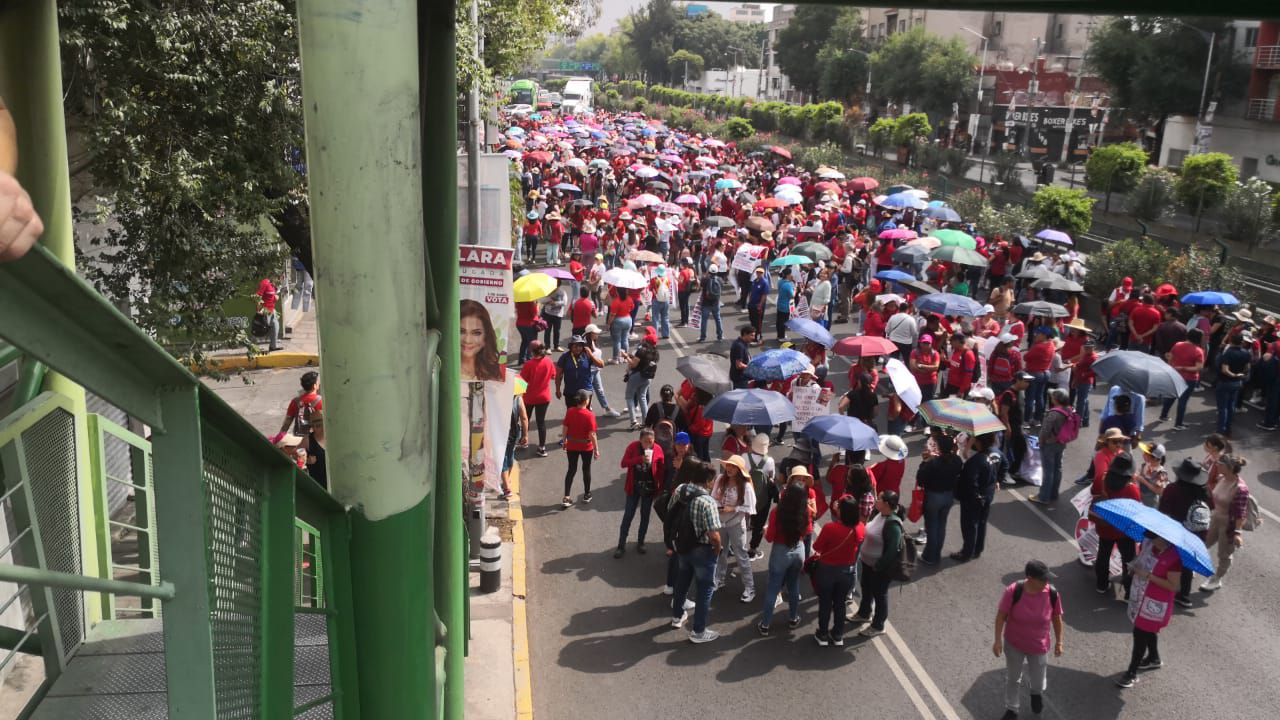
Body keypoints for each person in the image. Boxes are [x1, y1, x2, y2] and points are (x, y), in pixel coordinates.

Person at [994, 560, 1065, 720]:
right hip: (1014, 644)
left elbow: (1057, 618)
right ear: (1030, 578)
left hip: (1039, 646)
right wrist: (997, 641)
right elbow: (1000, 617)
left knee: (1038, 681)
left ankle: (1036, 694)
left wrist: (1059, 641)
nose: (1046, 582)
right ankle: (1012, 708)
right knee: (1013, 678)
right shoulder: (1014, 591)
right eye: (1043, 579)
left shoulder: (1052, 594)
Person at [665, 460, 724, 643]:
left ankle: (677, 616)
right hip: (702, 549)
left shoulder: (682, 489)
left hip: (682, 544)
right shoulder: (708, 502)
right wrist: (718, 549)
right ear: (708, 481)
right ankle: (698, 631)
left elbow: (669, 510)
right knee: (705, 589)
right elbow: (714, 535)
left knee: (683, 580)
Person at [1115, 532, 1183, 688]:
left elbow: (1174, 586)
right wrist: (1133, 567)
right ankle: (1154, 658)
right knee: (1147, 630)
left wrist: (1148, 576)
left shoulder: (1174, 558)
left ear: (1165, 538)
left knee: (1139, 633)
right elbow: (1142, 561)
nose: (1151, 541)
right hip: (1140, 595)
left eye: (1155, 538)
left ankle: (1131, 673)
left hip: (1155, 602)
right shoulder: (1149, 545)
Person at [756, 480, 811, 636]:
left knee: (773, 588)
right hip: (799, 550)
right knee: (793, 586)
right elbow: (807, 532)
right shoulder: (805, 510)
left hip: (780, 552)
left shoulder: (777, 512)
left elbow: (770, 537)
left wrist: (765, 530)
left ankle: (765, 624)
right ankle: (793, 618)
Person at [849, 490, 905, 637]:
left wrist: (878, 566)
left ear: (886, 503)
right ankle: (864, 613)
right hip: (868, 563)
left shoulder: (892, 524)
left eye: (879, 498)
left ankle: (878, 625)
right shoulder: (879, 514)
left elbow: (892, 550)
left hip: (879, 568)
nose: (875, 500)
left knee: (880, 595)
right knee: (866, 589)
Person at [812, 495, 865, 647]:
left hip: (827, 571)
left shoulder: (830, 528)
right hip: (846, 572)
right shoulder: (860, 528)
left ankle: (822, 634)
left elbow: (817, 547)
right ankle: (838, 635)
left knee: (825, 603)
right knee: (840, 604)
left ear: (841, 511)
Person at [1156, 459, 1209, 606]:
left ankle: (1168, 586)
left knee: (1172, 561)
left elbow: (1163, 512)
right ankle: (1184, 595)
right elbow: (1211, 507)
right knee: (1187, 564)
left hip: (1176, 532)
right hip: (1197, 534)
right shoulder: (1204, 492)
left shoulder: (1172, 489)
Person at [1090, 451, 1140, 598]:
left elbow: (1093, 493)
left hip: (1104, 526)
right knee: (1128, 560)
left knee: (1103, 554)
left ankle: (1101, 584)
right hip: (1123, 530)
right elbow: (1136, 510)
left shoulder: (1101, 478)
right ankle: (1127, 590)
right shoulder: (1131, 489)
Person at [1200, 453, 1251, 592]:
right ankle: (1192, 566)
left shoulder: (1240, 489)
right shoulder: (1221, 478)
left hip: (1228, 524)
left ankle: (1217, 579)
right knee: (1202, 543)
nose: (1217, 465)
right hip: (1215, 517)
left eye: (1220, 464)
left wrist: (1237, 532)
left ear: (1229, 467)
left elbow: (1241, 513)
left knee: (1224, 553)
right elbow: (1214, 496)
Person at [711, 455, 758, 602]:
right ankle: (719, 579)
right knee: (720, 552)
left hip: (736, 524)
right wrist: (717, 504)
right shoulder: (720, 479)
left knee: (741, 555)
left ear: (739, 470)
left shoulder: (746, 486)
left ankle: (750, 588)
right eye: (728, 465)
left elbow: (750, 507)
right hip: (721, 522)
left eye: (733, 466)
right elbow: (713, 497)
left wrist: (733, 508)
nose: (729, 469)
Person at [616, 428, 665, 557]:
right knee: (628, 515)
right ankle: (621, 545)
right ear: (640, 440)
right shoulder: (633, 447)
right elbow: (623, 463)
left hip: (649, 488)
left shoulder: (658, 449)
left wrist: (659, 489)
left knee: (645, 516)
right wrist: (639, 459)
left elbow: (661, 469)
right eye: (645, 441)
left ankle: (641, 542)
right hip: (634, 487)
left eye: (651, 441)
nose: (648, 444)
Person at [952, 432, 999, 562]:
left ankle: (966, 552)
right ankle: (978, 549)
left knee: (969, 526)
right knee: (982, 523)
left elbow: (970, 481)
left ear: (979, 442)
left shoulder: (976, 461)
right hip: (987, 495)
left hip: (974, 499)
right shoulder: (994, 455)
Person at [917, 433, 962, 565]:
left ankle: (930, 556)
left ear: (940, 448)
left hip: (933, 497)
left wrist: (925, 462)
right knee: (941, 526)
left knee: (932, 526)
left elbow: (920, 480)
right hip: (949, 496)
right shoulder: (957, 461)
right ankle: (936, 554)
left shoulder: (933, 463)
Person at [277, 371, 327, 487]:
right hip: (314, 440)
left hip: (298, 439)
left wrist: (280, 436)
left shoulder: (295, 401)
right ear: (315, 385)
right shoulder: (320, 401)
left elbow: (287, 422)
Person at [1033, 389, 1076, 505]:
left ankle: (1043, 497)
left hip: (1049, 444)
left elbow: (1045, 430)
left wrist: (1041, 441)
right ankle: (1053, 494)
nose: (1051, 398)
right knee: (1058, 469)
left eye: (1052, 396)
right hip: (1061, 443)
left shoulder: (1053, 413)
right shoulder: (1070, 410)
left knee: (1048, 471)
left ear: (1056, 399)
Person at [560, 390, 599, 508]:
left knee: (571, 469)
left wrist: (564, 440)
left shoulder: (570, 411)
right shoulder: (589, 415)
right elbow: (592, 434)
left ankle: (566, 497)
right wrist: (596, 449)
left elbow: (565, 427)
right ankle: (587, 494)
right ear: (586, 401)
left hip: (572, 445)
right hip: (586, 446)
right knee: (586, 469)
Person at [1159, 328, 1204, 430]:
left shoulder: (1178, 345)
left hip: (1175, 375)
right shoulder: (1198, 351)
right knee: (1183, 401)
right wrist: (1184, 368)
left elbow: (1170, 357)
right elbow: (1198, 367)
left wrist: (1172, 368)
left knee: (1171, 396)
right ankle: (1178, 424)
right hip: (1190, 378)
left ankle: (1163, 415)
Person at [745, 433, 778, 561]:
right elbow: (772, 477)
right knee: (759, 524)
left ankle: (737, 546)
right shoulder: (769, 461)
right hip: (763, 498)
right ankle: (753, 550)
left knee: (742, 519)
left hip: (746, 495)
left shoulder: (744, 457)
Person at [519, 341, 555, 456]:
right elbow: (553, 376)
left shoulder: (529, 364)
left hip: (529, 397)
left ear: (531, 351)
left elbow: (522, 381)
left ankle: (524, 441)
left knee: (526, 419)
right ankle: (542, 448)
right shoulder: (549, 362)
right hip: (544, 397)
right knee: (541, 422)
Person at [461, 299, 507, 383]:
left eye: (476, 333)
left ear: (486, 336)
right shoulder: (441, 369)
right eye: (461, 331)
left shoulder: (496, 370)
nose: (467, 340)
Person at [1215, 333, 1251, 435]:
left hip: (1225, 382)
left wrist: (1234, 375)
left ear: (1231, 341)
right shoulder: (1246, 353)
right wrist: (1241, 375)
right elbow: (1248, 368)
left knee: (1223, 407)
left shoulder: (1228, 353)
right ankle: (1228, 428)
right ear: (1242, 342)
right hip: (1237, 383)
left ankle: (1221, 430)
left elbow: (1225, 370)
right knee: (1231, 406)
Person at [623, 335, 658, 429]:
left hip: (636, 376)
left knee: (629, 397)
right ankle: (645, 421)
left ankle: (633, 421)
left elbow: (633, 365)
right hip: (648, 378)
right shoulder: (655, 353)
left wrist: (626, 357)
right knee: (642, 398)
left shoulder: (641, 351)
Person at [554, 336, 594, 407]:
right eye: (575, 346)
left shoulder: (587, 355)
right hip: (571, 392)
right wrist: (557, 390)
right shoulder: (565, 357)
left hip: (586, 391)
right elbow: (559, 375)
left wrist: (591, 355)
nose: (578, 348)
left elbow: (601, 365)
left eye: (580, 346)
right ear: (571, 347)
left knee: (584, 414)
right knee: (572, 414)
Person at [1135, 442, 1168, 507]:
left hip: (1150, 503)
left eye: (1146, 453)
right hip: (1139, 498)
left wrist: (1144, 481)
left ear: (1155, 458)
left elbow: (1159, 491)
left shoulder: (1162, 473)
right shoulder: (1145, 465)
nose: (1143, 454)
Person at [697, 264, 725, 342]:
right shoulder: (720, 280)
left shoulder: (705, 279)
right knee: (718, 319)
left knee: (704, 320)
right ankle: (720, 336)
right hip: (716, 303)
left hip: (706, 303)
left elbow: (700, 287)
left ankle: (703, 337)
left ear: (709, 271)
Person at [256, 276, 283, 352]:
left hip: (272, 310)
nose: (279, 280)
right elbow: (258, 296)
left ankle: (273, 346)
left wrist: (275, 298)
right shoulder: (265, 282)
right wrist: (259, 309)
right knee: (262, 329)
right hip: (265, 310)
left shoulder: (273, 285)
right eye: (278, 278)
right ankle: (254, 347)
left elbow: (271, 298)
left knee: (276, 327)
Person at [541, 282, 568, 351]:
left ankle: (556, 346)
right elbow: (542, 300)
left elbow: (565, 302)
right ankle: (547, 347)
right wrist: (549, 299)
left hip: (558, 315)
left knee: (557, 331)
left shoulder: (562, 292)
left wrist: (555, 303)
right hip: (548, 314)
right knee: (547, 331)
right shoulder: (548, 291)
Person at [729, 325, 755, 389]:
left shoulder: (743, 343)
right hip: (740, 378)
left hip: (742, 376)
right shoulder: (739, 346)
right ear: (745, 334)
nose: (753, 337)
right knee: (741, 396)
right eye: (751, 335)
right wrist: (751, 368)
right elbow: (739, 365)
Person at [747, 266, 770, 337]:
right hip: (752, 304)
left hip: (758, 306)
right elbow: (751, 291)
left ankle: (758, 337)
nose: (759, 274)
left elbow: (764, 295)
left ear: (763, 273)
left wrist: (760, 305)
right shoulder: (755, 281)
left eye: (761, 273)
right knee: (752, 320)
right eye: (758, 272)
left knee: (758, 323)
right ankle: (753, 336)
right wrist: (749, 300)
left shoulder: (764, 282)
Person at [775, 267, 796, 340]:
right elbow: (792, 295)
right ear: (788, 275)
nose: (792, 275)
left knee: (779, 321)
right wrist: (795, 289)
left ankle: (779, 335)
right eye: (791, 274)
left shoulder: (780, 281)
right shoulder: (788, 285)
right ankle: (782, 337)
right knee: (783, 322)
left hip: (780, 304)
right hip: (786, 306)